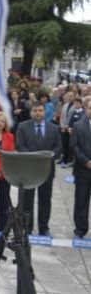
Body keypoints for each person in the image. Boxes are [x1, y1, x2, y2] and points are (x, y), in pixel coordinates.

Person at [16, 101, 62, 236]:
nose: (37, 113)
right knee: (27, 200)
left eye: (40, 110)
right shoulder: (23, 126)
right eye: (35, 110)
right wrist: (32, 157)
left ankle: (44, 228)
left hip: (46, 169)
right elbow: (20, 145)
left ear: (44, 112)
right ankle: (27, 227)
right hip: (29, 170)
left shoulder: (54, 128)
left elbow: (58, 148)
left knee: (45, 199)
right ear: (31, 112)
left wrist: (49, 156)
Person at [70, 99, 91, 238]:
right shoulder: (78, 126)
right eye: (90, 107)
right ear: (86, 108)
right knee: (81, 201)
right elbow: (74, 146)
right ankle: (80, 229)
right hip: (83, 169)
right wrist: (86, 161)